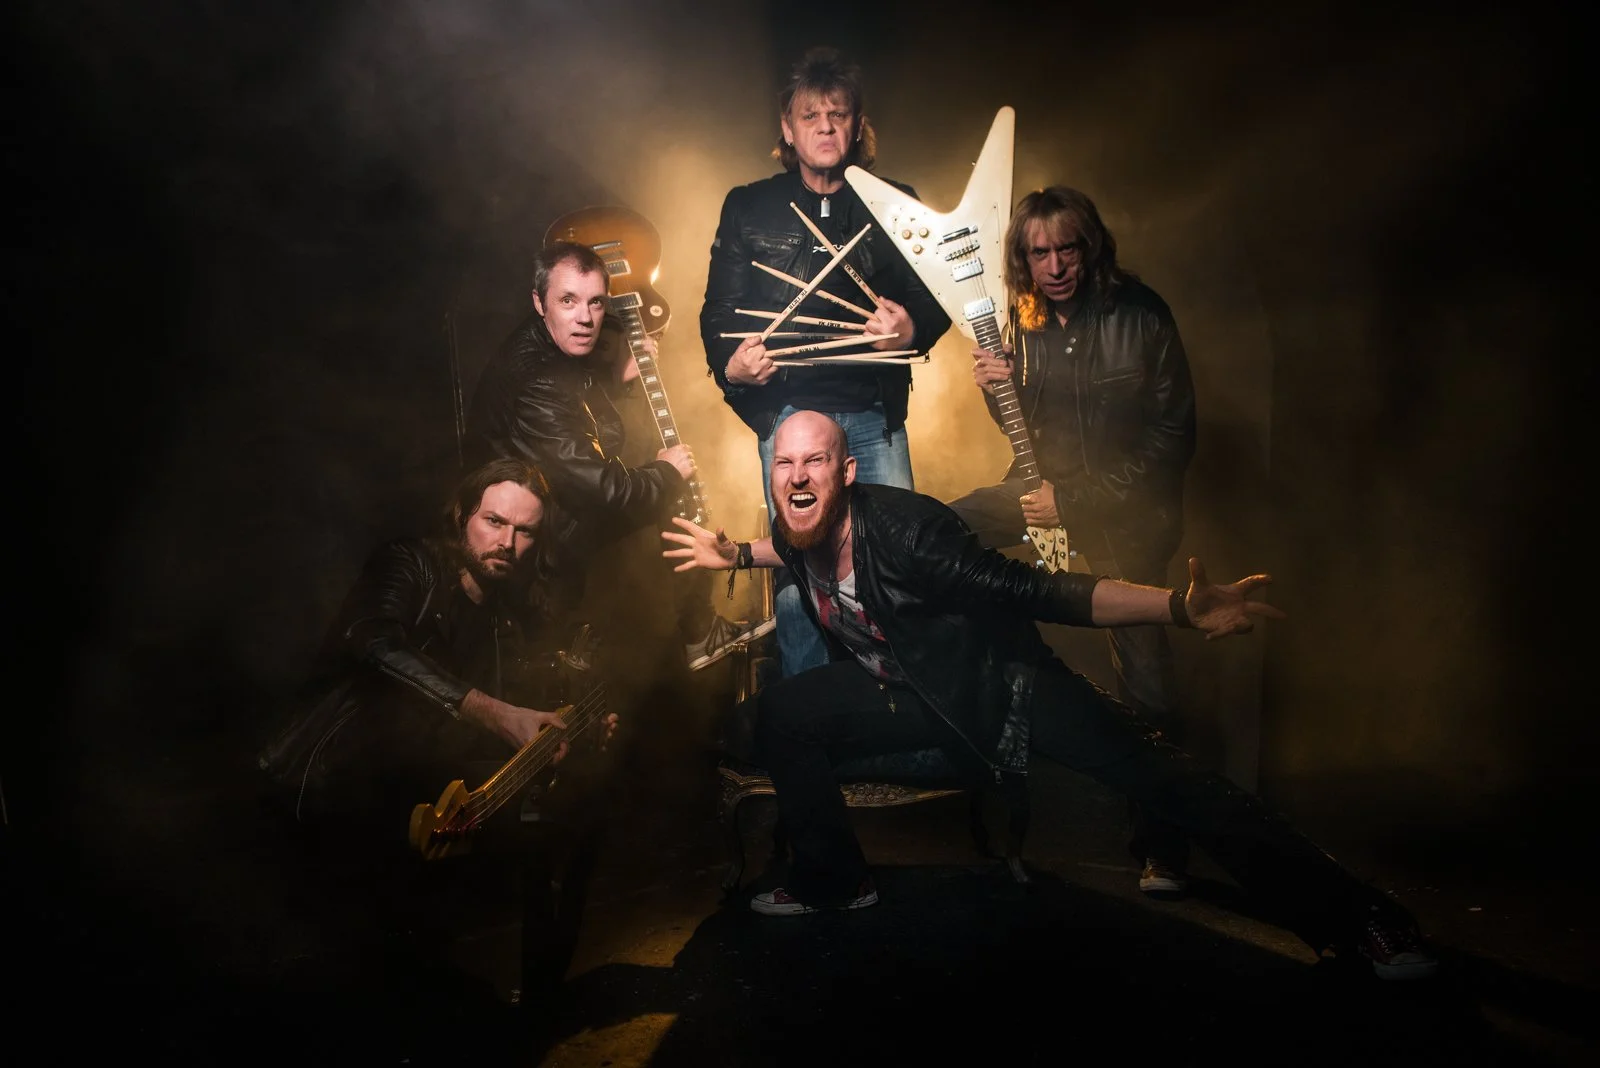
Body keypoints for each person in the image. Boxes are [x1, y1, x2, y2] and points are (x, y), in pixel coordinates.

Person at [662, 410, 1439, 980]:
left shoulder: (912, 535)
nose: (797, 477)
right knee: (772, 719)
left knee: (1168, 781)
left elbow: (1042, 591)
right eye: (785, 465)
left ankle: (1369, 923)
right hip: (904, 688)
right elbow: (792, 548)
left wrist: (1178, 607)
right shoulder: (795, 517)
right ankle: (836, 881)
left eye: (815, 463)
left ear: (849, 472)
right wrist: (733, 551)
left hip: (1007, 689)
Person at [255, 457, 620, 1004]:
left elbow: (522, 706)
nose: (507, 541)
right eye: (494, 521)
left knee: (571, 810)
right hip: (337, 773)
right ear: (463, 517)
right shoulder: (410, 564)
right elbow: (373, 641)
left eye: (524, 531)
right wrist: (494, 713)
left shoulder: (505, 613)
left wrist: (565, 728)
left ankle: (536, 1002)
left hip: (426, 775)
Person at [948, 185, 1200, 900]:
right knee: (941, 531)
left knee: (1146, 678)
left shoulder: (1140, 314)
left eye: (1068, 248)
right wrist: (1000, 392)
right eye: (1040, 252)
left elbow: (1173, 439)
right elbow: (1029, 438)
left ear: (1090, 248)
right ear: (1022, 259)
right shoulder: (1020, 322)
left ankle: (1165, 848)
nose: (1055, 265)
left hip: (1121, 513)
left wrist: (1078, 500)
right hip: (1040, 495)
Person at [699, 45, 952, 680]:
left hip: (871, 406)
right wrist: (735, 369)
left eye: (837, 114)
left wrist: (910, 325)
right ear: (787, 129)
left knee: (897, 559)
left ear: (856, 124)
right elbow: (718, 312)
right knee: (797, 565)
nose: (824, 127)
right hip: (789, 411)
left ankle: (908, 706)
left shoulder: (896, 200)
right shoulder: (748, 205)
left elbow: (939, 294)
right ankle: (807, 712)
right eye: (810, 116)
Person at [466, 239, 763, 672]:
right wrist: (665, 474)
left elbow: (592, 430)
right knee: (671, 489)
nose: (585, 318)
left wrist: (618, 379)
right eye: (568, 300)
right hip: (526, 526)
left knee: (660, 471)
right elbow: (602, 487)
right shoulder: (536, 380)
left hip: (550, 492)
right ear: (539, 301)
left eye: (595, 302)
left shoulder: (555, 347)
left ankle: (690, 629)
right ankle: (697, 634)